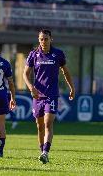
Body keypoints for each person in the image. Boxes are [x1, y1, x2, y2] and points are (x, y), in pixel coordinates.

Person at [23, 29, 75, 164]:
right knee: (39, 126)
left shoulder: (58, 54)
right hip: (37, 95)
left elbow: (66, 72)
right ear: (38, 40)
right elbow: (25, 74)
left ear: (51, 39)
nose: (43, 41)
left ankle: (46, 152)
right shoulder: (34, 54)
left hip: (51, 95)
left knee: (48, 122)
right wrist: (31, 88)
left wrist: (71, 88)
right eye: (41, 39)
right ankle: (42, 152)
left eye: (46, 39)